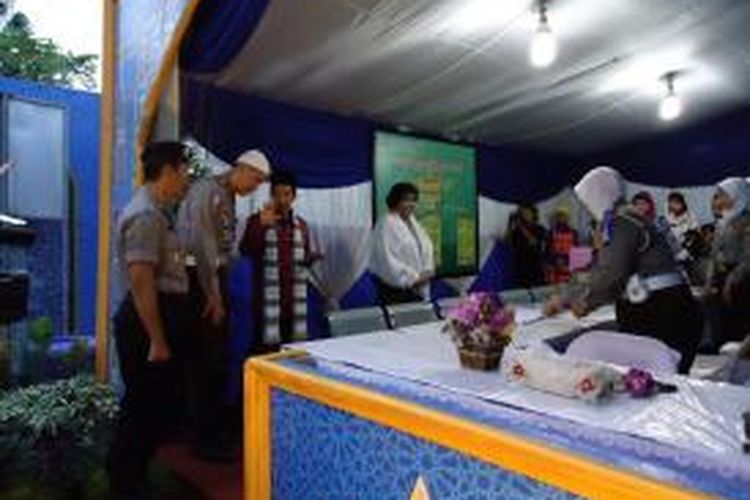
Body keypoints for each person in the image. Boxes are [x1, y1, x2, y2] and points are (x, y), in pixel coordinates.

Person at [545, 167, 702, 374]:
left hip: (661, 312)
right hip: (663, 308)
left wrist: (584, 302)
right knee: (659, 384)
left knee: (659, 384)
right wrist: (569, 297)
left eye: (588, 199)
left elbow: (611, 273)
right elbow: (601, 269)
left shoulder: (622, 221)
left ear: (600, 194)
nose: (588, 206)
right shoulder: (628, 219)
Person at [107, 142, 191, 497]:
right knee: (141, 404)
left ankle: (135, 475)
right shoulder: (146, 216)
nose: (187, 180)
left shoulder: (157, 211)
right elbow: (142, 282)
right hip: (146, 320)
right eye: (184, 171)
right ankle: (125, 482)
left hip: (154, 316)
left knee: (152, 403)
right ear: (169, 171)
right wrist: (157, 339)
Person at [177, 149, 272, 462]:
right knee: (206, 361)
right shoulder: (208, 191)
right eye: (255, 180)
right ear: (240, 169)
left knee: (216, 360)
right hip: (200, 282)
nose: (255, 188)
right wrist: (214, 296)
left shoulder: (226, 194)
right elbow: (204, 248)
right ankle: (204, 440)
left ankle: (212, 430)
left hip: (213, 279)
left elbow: (225, 245)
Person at [240, 171, 320, 353]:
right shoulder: (257, 220)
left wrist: (309, 260)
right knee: (264, 353)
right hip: (266, 303)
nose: (282, 199)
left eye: (286, 194)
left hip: (293, 303)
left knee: (292, 354)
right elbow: (245, 250)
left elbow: (304, 258)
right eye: (277, 194)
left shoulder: (302, 225)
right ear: (271, 195)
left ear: (294, 197)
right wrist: (261, 225)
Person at [704, 177, 750, 348]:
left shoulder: (746, 221)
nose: (718, 199)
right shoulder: (722, 222)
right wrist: (709, 281)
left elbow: (748, 257)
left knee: (741, 323)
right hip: (723, 278)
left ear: (737, 195)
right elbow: (714, 255)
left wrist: (732, 280)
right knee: (725, 324)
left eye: (722, 195)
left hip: (743, 280)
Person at [370, 182, 435, 304]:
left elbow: (426, 248)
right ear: (395, 200)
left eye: (414, 200)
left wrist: (428, 270)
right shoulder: (386, 223)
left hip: (419, 288)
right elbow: (385, 259)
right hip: (396, 292)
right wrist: (414, 279)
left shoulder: (413, 222)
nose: (411, 204)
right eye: (406, 200)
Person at [507, 204, 547, 287]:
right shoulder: (516, 230)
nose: (525, 216)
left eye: (527, 213)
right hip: (520, 265)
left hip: (535, 264)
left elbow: (533, 242)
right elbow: (508, 242)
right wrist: (510, 225)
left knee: (538, 288)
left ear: (533, 214)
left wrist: (521, 227)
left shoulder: (540, 228)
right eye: (523, 214)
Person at [545, 209, 578, 284]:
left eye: (564, 216)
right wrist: (553, 261)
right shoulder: (551, 232)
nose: (561, 218)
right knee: (554, 287)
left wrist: (571, 264)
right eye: (560, 216)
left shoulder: (574, 232)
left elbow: (576, 249)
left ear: (567, 218)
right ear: (556, 218)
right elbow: (548, 249)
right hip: (555, 264)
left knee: (569, 285)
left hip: (568, 264)